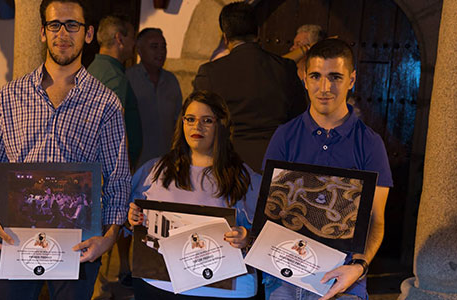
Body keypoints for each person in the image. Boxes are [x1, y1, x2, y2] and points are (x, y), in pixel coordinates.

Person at [0, 0, 131, 299]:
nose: (62, 33)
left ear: (89, 33)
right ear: (43, 32)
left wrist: (108, 239)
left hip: (78, 243)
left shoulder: (105, 104)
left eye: (73, 25)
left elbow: (119, 179)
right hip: (13, 238)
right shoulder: (9, 97)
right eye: (54, 25)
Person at [263, 38, 393, 300]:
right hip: (284, 278)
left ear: (352, 80)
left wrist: (358, 267)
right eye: (316, 76)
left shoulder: (370, 143)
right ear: (305, 78)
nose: (324, 87)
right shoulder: (284, 136)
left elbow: (376, 221)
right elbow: (268, 208)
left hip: (343, 280)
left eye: (335, 77)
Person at [128, 90, 260, 300]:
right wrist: (133, 219)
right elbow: (132, 222)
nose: (196, 127)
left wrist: (247, 238)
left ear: (221, 125)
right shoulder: (155, 170)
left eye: (207, 120)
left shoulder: (244, 177)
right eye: (190, 119)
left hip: (222, 290)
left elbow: (265, 235)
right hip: (161, 286)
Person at [193, 1, 308, 174]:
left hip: (228, 163)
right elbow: (299, 117)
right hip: (275, 161)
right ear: (257, 32)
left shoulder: (211, 73)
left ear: (225, 37)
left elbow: (199, 121)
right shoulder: (284, 68)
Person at [87, 15, 143, 171]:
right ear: (120, 38)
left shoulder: (95, 68)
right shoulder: (113, 76)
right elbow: (115, 128)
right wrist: (121, 173)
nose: (135, 44)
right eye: (132, 37)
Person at [126, 28, 183, 169]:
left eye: (164, 47)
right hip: (136, 165)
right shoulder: (128, 79)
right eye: (154, 47)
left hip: (166, 164)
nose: (161, 51)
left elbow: (179, 121)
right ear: (139, 50)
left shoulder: (171, 81)